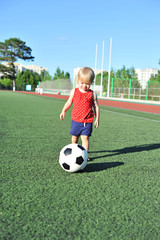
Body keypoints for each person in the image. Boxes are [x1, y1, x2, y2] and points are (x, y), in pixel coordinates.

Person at [60, 67, 99, 160]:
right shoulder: (74, 91)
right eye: (82, 83)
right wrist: (63, 110)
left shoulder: (92, 94)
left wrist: (97, 119)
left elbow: (96, 106)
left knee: (85, 139)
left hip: (87, 121)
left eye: (87, 84)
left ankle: (84, 156)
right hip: (76, 120)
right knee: (74, 138)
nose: (84, 86)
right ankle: (73, 153)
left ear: (91, 83)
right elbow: (69, 102)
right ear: (78, 81)